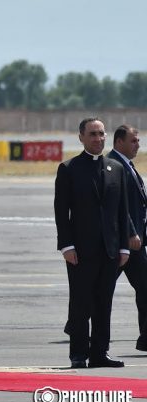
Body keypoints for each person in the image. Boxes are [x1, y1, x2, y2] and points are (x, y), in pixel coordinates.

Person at [54, 117, 129, 368]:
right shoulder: (69, 168)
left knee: (103, 302)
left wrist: (124, 246)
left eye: (101, 134)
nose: (98, 139)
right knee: (80, 302)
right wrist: (66, 245)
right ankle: (78, 354)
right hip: (80, 251)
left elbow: (122, 210)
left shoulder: (115, 168)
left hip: (110, 249)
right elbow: (61, 211)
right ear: (81, 137)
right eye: (93, 134)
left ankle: (99, 352)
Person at [107, 125, 147, 352]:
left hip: (134, 243)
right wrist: (131, 232)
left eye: (138, 141)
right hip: (121, 242)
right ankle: (77, 326)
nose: (138, 145)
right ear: (119, 142)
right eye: (133, 141)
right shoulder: (113, 165)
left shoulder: (127, 165)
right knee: (100, 287)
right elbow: (118, 206)